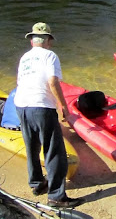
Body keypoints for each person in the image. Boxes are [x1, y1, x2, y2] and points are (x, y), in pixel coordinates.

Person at [14, 23, 83, 208]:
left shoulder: (24, 57)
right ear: (47, 40)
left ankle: (37, 183)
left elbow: (20, 82)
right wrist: (63, 106)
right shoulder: (50, 55)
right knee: (54, 150)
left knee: (31, 146)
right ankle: (56, 196)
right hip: (41, 106)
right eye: (50, 40)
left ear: (32, 40)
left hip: (21, 105)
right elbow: (53, 82)